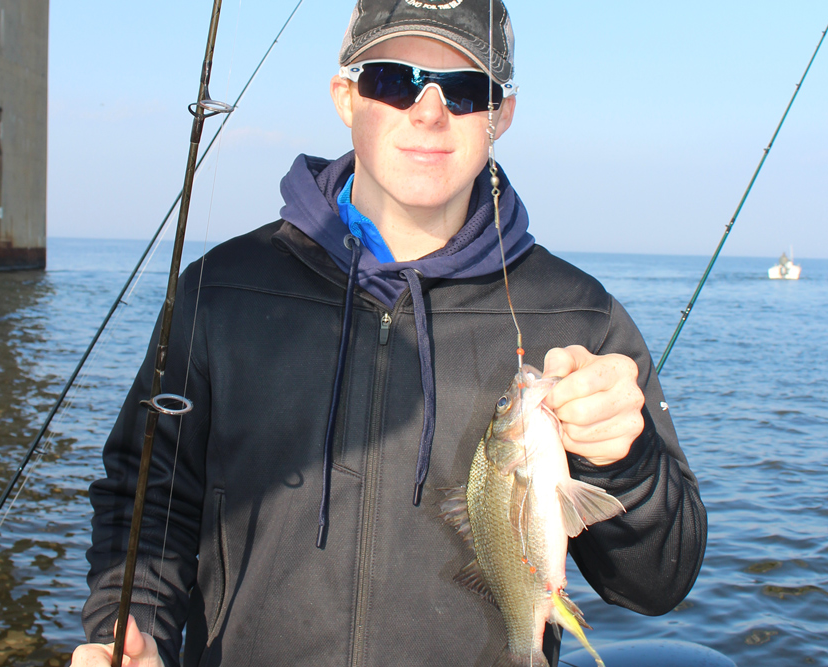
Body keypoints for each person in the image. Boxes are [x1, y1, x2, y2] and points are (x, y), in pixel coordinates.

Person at [72, 1, 707, 666]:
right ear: (345, 97)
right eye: (393, 80)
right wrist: (132, 627)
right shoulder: (222, 289)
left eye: (465, 90)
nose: (429, 113)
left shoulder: (581, 318)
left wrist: (625, 462)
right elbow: (146, 499)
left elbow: (658, 581)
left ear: (502, 114)